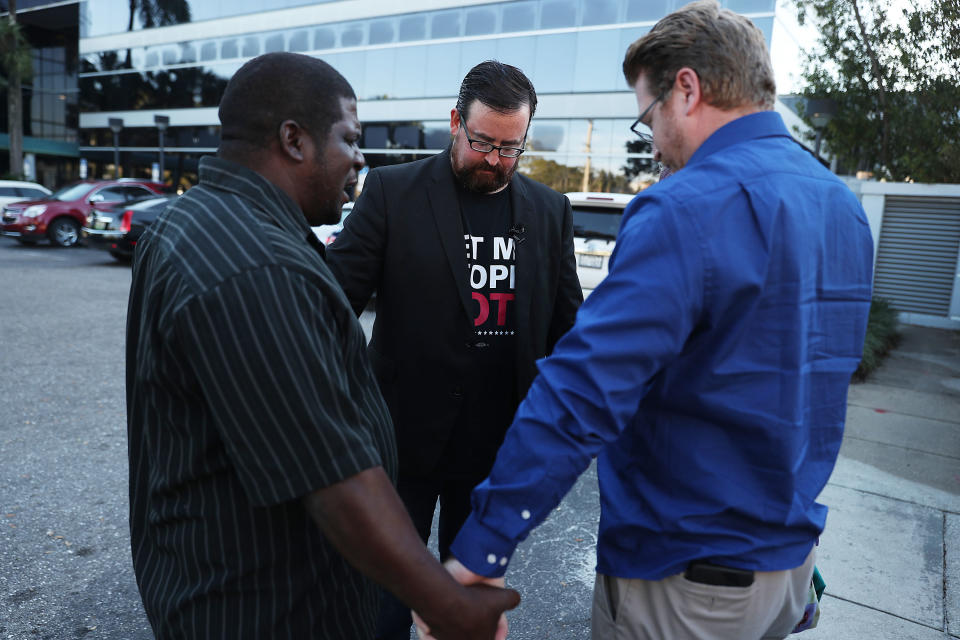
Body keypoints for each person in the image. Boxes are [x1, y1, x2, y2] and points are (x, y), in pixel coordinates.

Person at [438, 2, 875, 639]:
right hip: (787, 570)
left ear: (687, 90)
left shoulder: (684, 208)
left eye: (648, 117)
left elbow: (583, 393)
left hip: (686, 580)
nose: (655, 141)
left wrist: (482, 551)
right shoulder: (841, 205)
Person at [125, 52, 518, 640]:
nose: (359, 158)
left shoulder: (191, 225)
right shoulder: (251, 266)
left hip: (213, 577)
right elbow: (332, 478)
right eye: (349, 138)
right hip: (263, 607)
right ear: (294, 140)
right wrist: (448, 605)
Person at [326, 60, 582, 639]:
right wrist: (342, 410)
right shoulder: (394, 192)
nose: (494, 160)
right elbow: (331, 305)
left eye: (509, 148)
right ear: (454, 124)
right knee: (384, 602)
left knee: (467, 614)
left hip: (495, 455)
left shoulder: (549, 212)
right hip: (397, 444)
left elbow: (569, 333)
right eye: (482, 142)